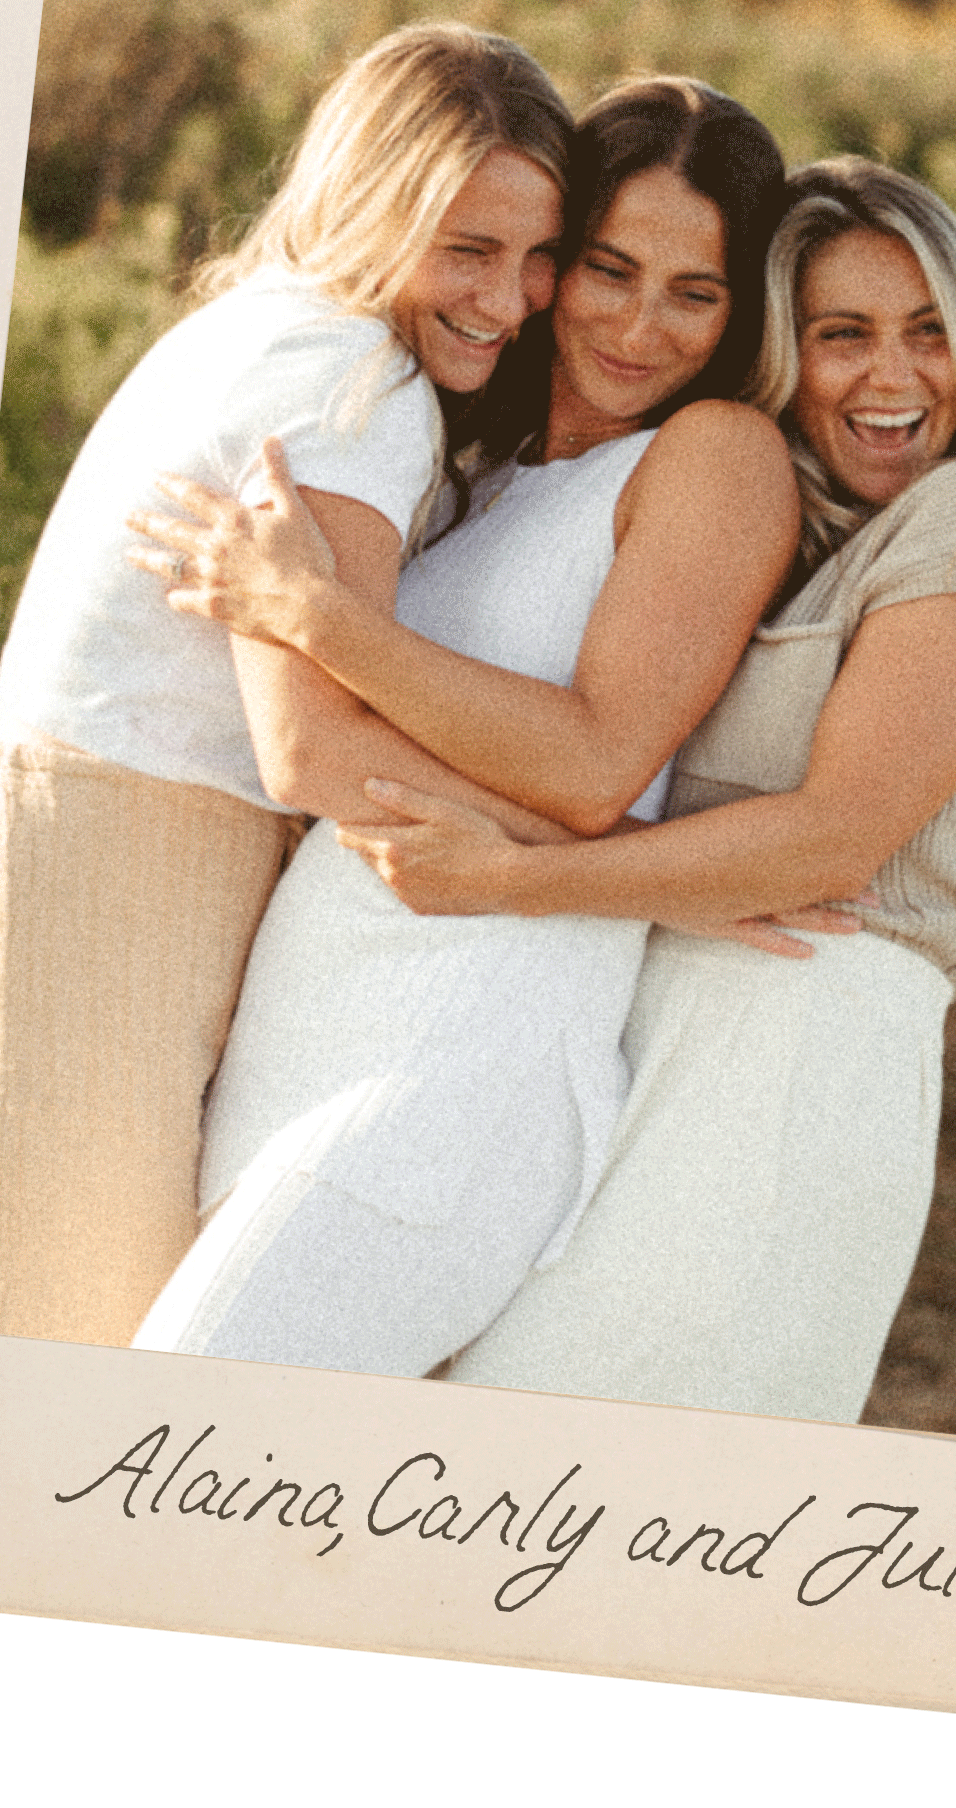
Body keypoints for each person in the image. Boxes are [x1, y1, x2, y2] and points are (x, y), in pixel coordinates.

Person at [331, 156, 956, 1424]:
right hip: (664, 1034)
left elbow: (832, 834)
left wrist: (517, 881)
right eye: (841, 336)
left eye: (927, 335)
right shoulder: (793, 534)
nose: (889, 378)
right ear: (783, 355)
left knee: (580, 1459)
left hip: (803, 1043)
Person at [0, 22, 574, 1349]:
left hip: (98, 823)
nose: (510, 298)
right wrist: (606, 852)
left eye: (539, 254)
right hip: (127, 846)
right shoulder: (351, 380)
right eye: (466, 249)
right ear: (368, 207)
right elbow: (316, 753)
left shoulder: (273, 328)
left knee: (22, 1295)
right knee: (49, 1328)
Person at [123, 80, 804, 1379]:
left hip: (464, 1062)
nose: (636, 326)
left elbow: (602, 762)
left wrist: (315, 615)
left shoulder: (712, 456)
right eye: (605, 268)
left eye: (692, 293)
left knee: (174, 1430)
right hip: (308, 1023)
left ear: (737, 314)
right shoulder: (474, 468)